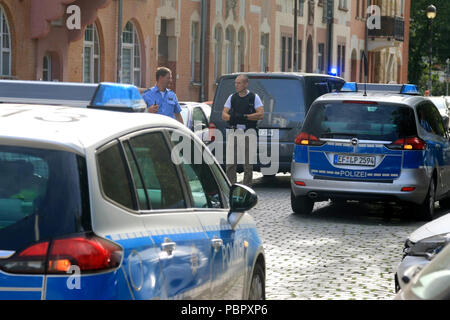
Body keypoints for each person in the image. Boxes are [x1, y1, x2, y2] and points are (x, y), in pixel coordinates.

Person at [222, 74, 264, 186]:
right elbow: (224, 114)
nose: (236, 85)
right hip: (234, 132)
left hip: (249, 133)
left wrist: (245, 117)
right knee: (230, 163)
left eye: (239, 83)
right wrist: (232, 118)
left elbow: (260, 114)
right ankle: (231, 186)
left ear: (246, 84)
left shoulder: (254, 97)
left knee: (248, 165)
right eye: (235, 83)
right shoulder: (232, 97)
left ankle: (247, 188)